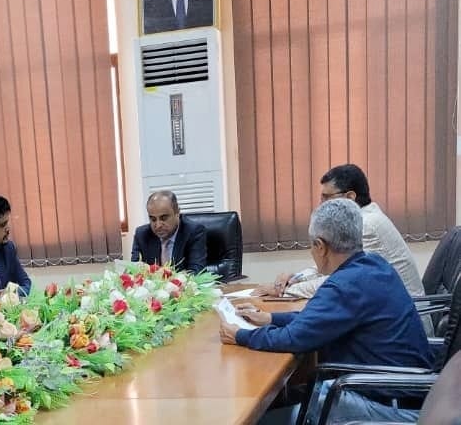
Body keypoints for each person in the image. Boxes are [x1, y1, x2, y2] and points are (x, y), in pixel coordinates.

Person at [220, 199, 431, 423]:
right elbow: (318, 320)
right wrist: (270, 318)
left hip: (385, 403)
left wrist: (240, 335)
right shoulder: (374, 264)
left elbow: (293, 338)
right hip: (406, 391)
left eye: (311, 246)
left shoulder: (344, 285)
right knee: (287, 399)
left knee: (262, 418)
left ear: (320, 246)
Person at [254, 164, 425, 302]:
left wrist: (286, 292)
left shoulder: (367, 226)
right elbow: (333, 268)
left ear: (350, 197)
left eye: (326, 198)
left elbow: (343, 280)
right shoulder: (362, 218)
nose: (321, 204)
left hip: (404, 320)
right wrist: (295, 279)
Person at [130, 190, 207, 273]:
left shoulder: (194, 232)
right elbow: (134, 271)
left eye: (164, 218)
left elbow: (196, 272)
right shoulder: (142, 235)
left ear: (177, 213)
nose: (158, 225)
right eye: (153, 219)